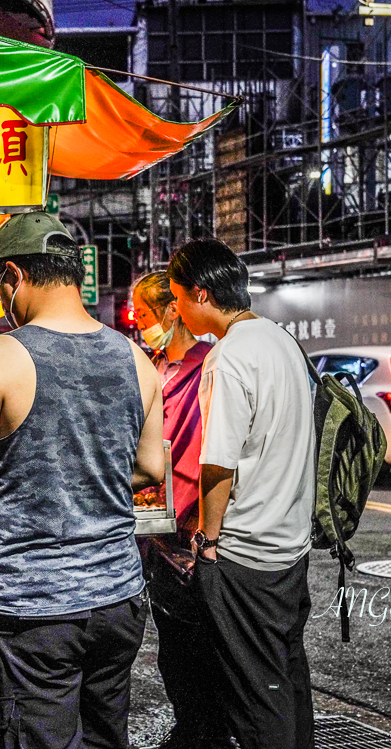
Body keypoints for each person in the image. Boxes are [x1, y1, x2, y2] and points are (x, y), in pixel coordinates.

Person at [0, 211, 165, 749]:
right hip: (119, 599)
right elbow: (151, 467)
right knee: (106, 739)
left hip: (37, 611)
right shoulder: (136, 357)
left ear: (14, 275)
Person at [167, 238, 315, 749]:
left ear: (202, 294)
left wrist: (206, 543)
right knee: (288, 678)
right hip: (290, 546)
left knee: (255, 698)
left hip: (247, 554)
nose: (178, 310)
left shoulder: (227, 357)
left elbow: (218, 462)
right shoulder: (281, 341)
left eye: (178, 297)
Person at [131, 271, 227, 749]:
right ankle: (189, 728)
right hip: (154, 529)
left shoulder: (210, 364)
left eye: (145, 315)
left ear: (173, 310)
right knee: (172, 647)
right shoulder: (147, 366)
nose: (141, 324)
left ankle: (210, 732)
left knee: (205, 646)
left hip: (197, 528)